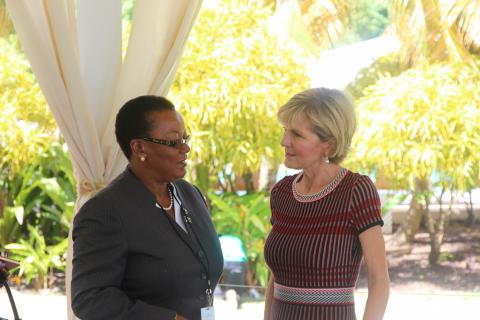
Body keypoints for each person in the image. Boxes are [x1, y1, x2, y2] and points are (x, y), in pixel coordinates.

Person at [71, 95, 223, 320]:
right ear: (140, 147)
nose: (186, 148)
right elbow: (90, 298)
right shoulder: (105, 211)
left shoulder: (191, 195)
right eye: (174, 142)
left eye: (185, 138)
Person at [263, 88, 390, 320]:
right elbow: (275, 278)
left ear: (329, 145)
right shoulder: (281, 193)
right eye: (285, 131)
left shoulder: (355, 190)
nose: (284, 141)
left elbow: (379, 280)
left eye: (297, 135)